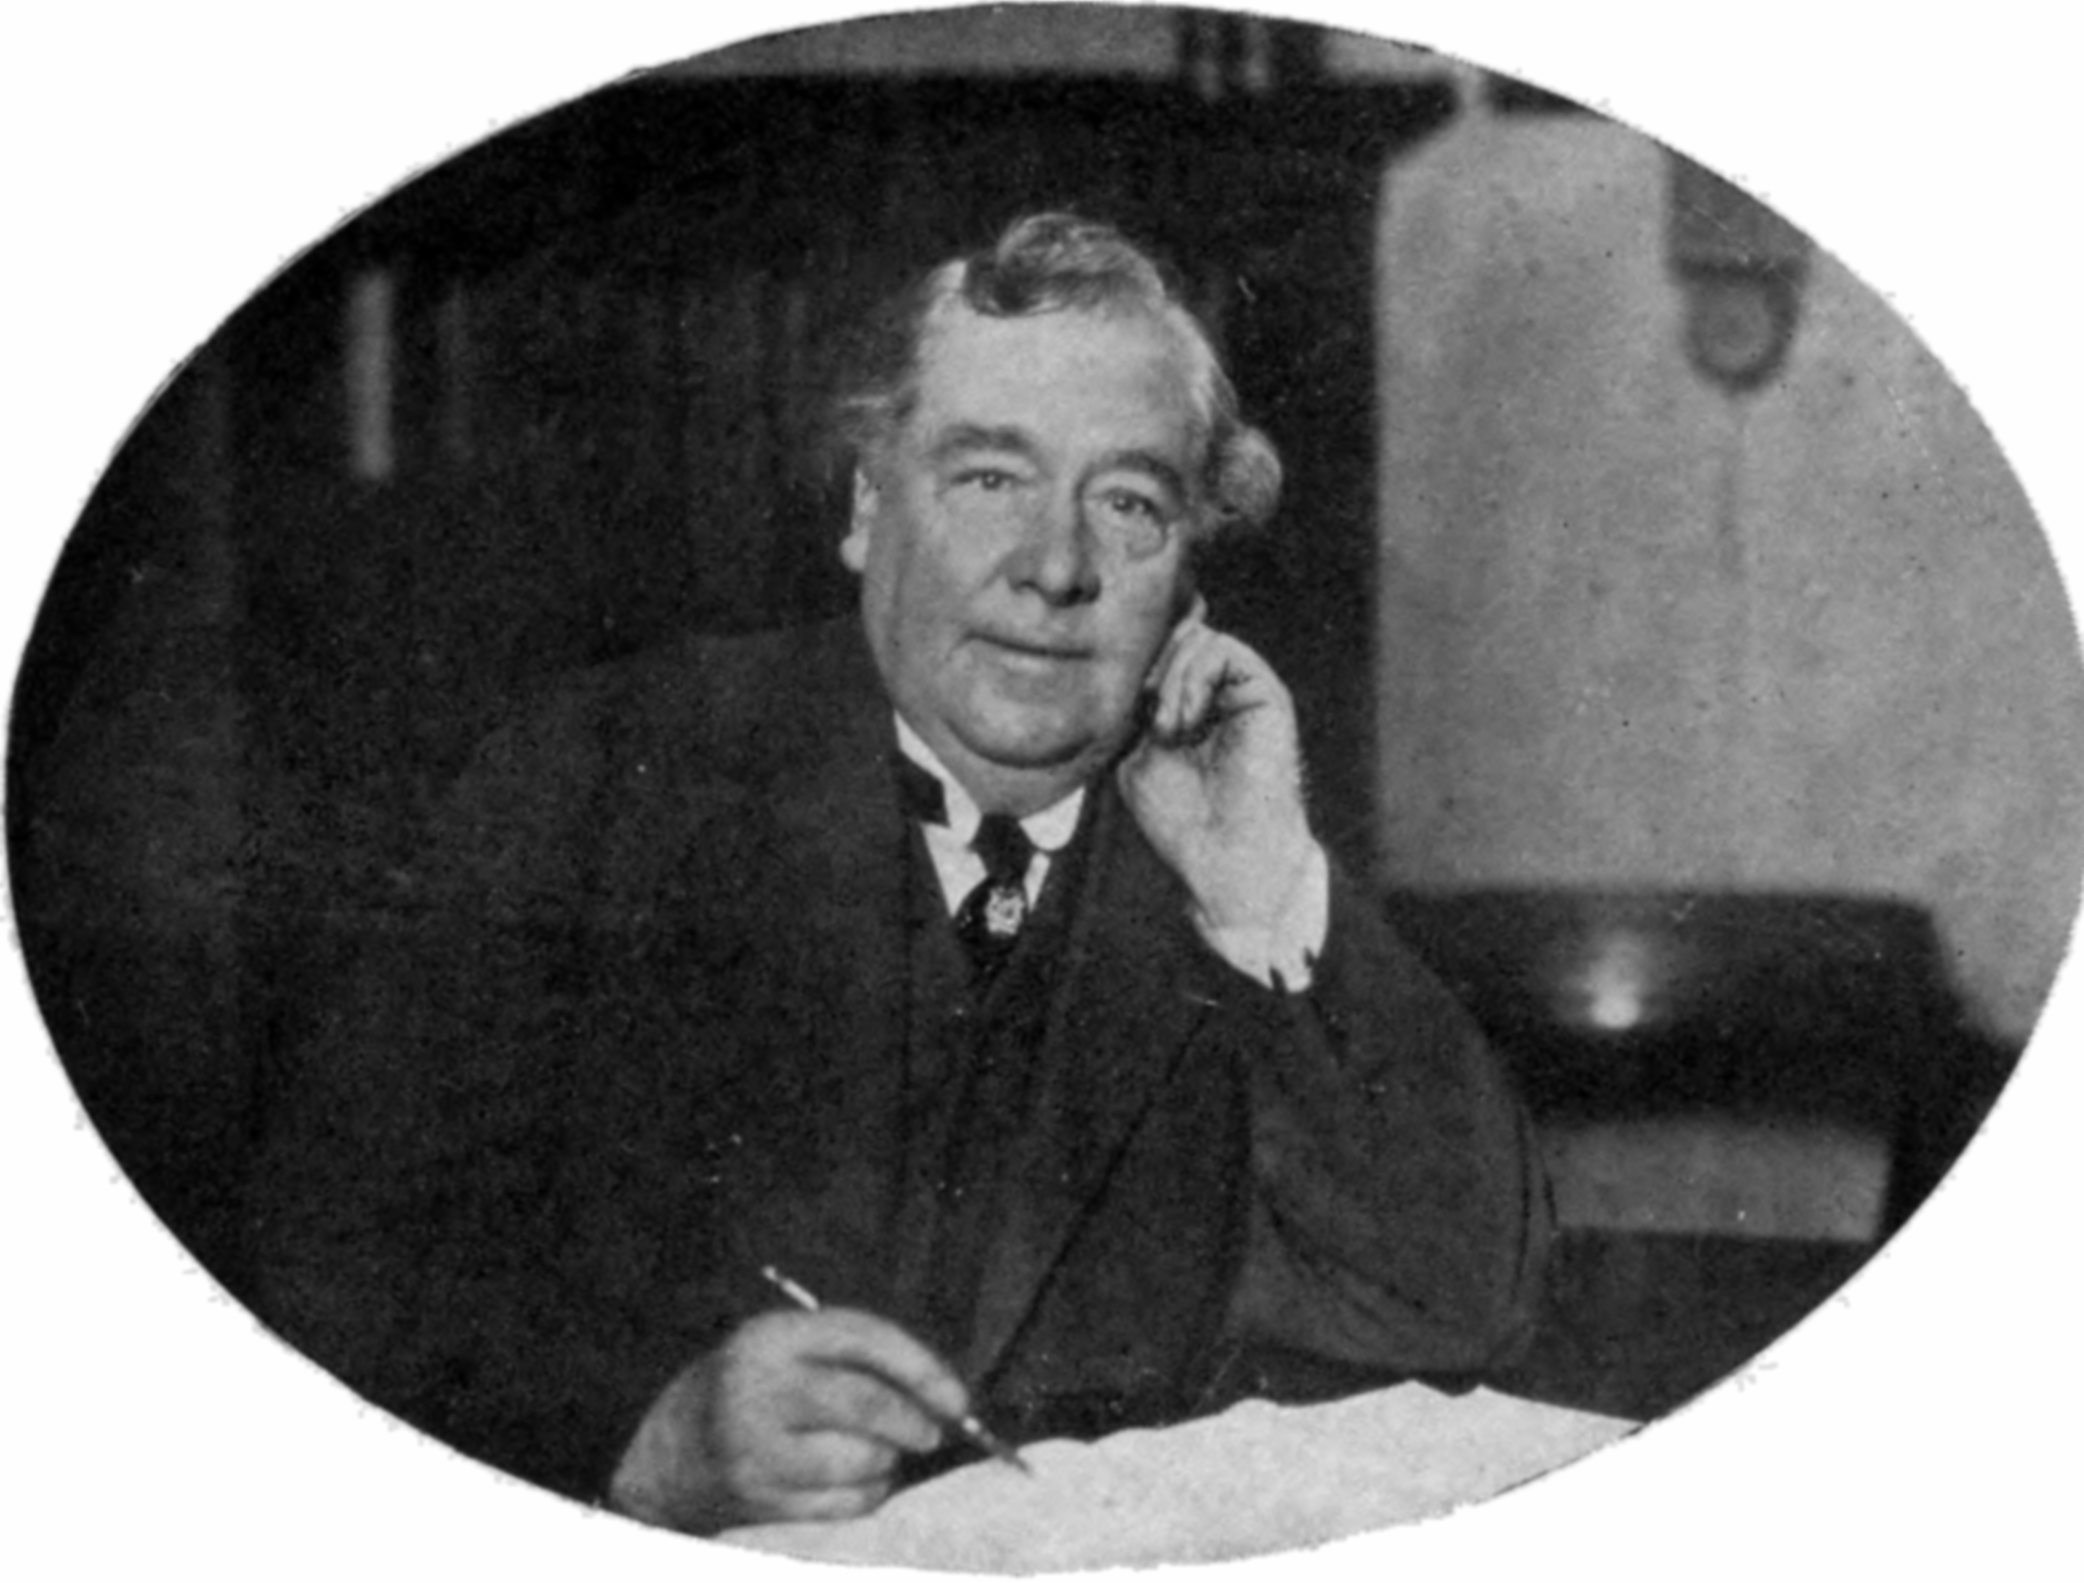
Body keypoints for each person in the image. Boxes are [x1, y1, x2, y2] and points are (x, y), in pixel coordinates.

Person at [249, 212, 1549, 1537]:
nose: (1057, 568)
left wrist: (1260, 892)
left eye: (1129, 504)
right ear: (870, 509)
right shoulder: (600, 779)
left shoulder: (1224, 859)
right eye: (990, 479)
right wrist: (633, 1441)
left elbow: (1465, 1308)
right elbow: (318, 1292)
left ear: (1188, 577)